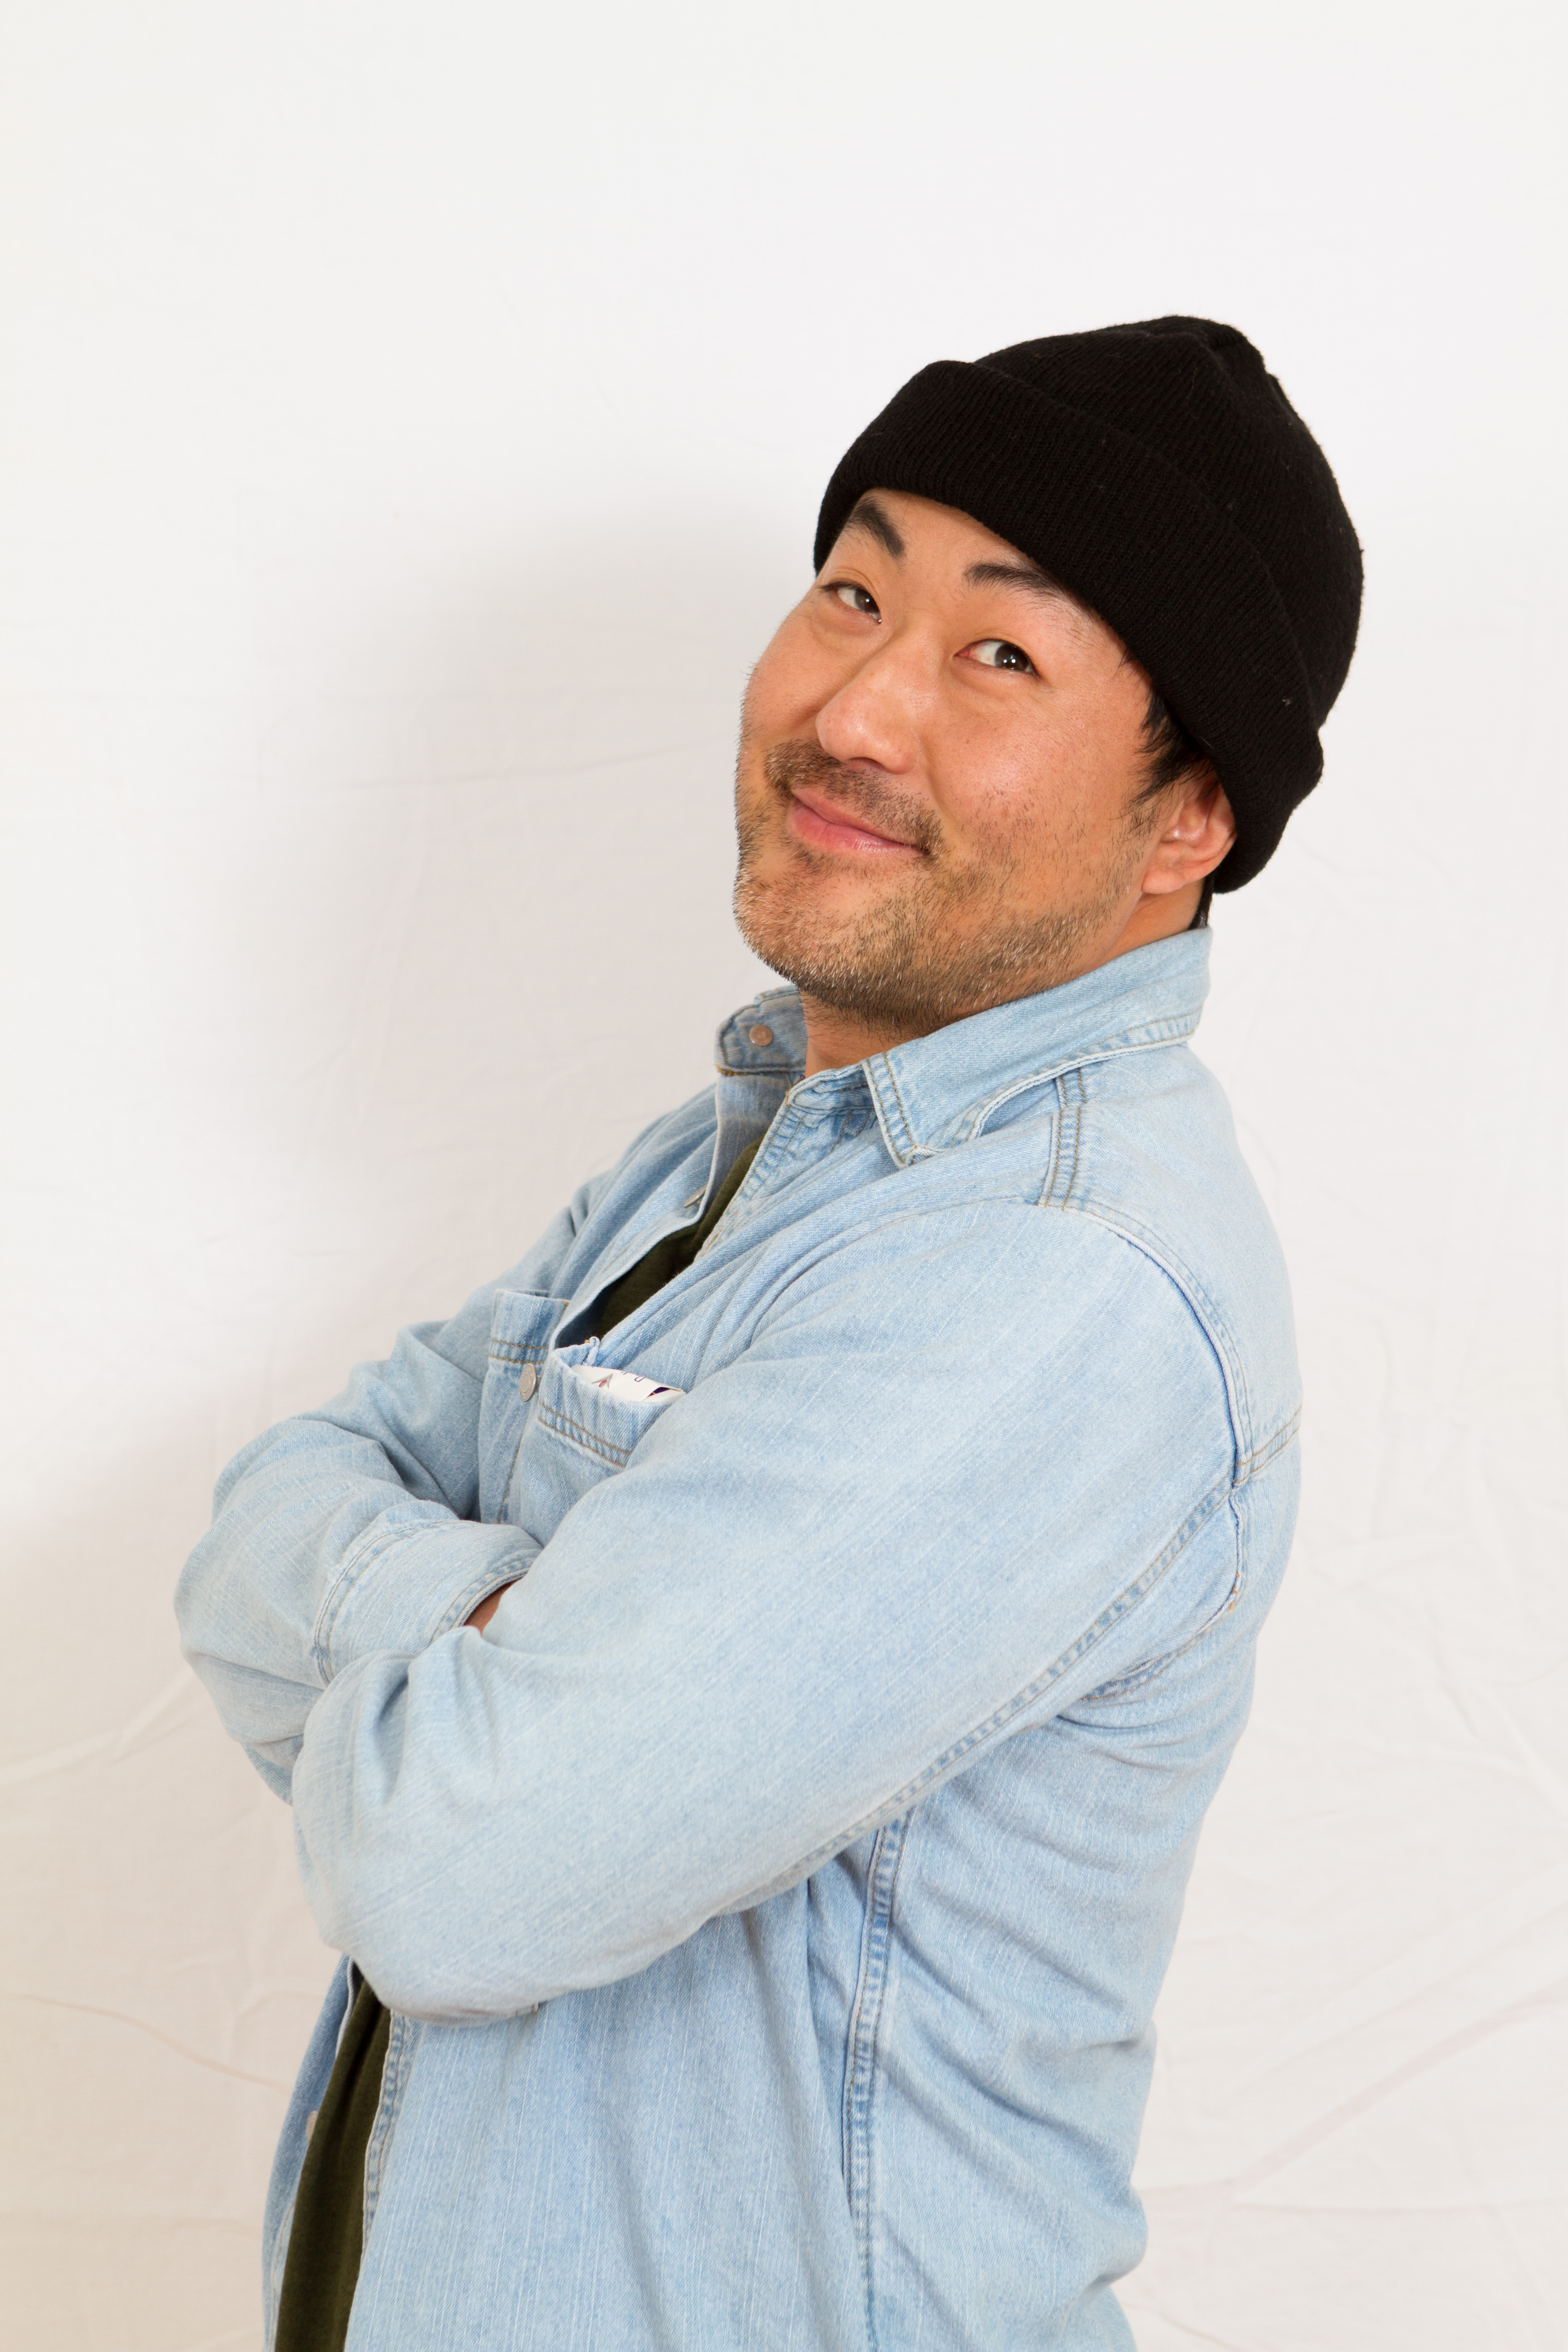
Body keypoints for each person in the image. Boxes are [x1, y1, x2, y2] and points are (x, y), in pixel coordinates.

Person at [176, 316, 1362, 2351]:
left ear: (1191, 819)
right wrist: (497, 1641)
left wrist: (463, 1658)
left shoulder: (1056, 1276)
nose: (858, 708)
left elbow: (456, 1875)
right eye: (852, 592)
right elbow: (248, 1533)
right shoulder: (740, 1150)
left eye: (1002, 654)